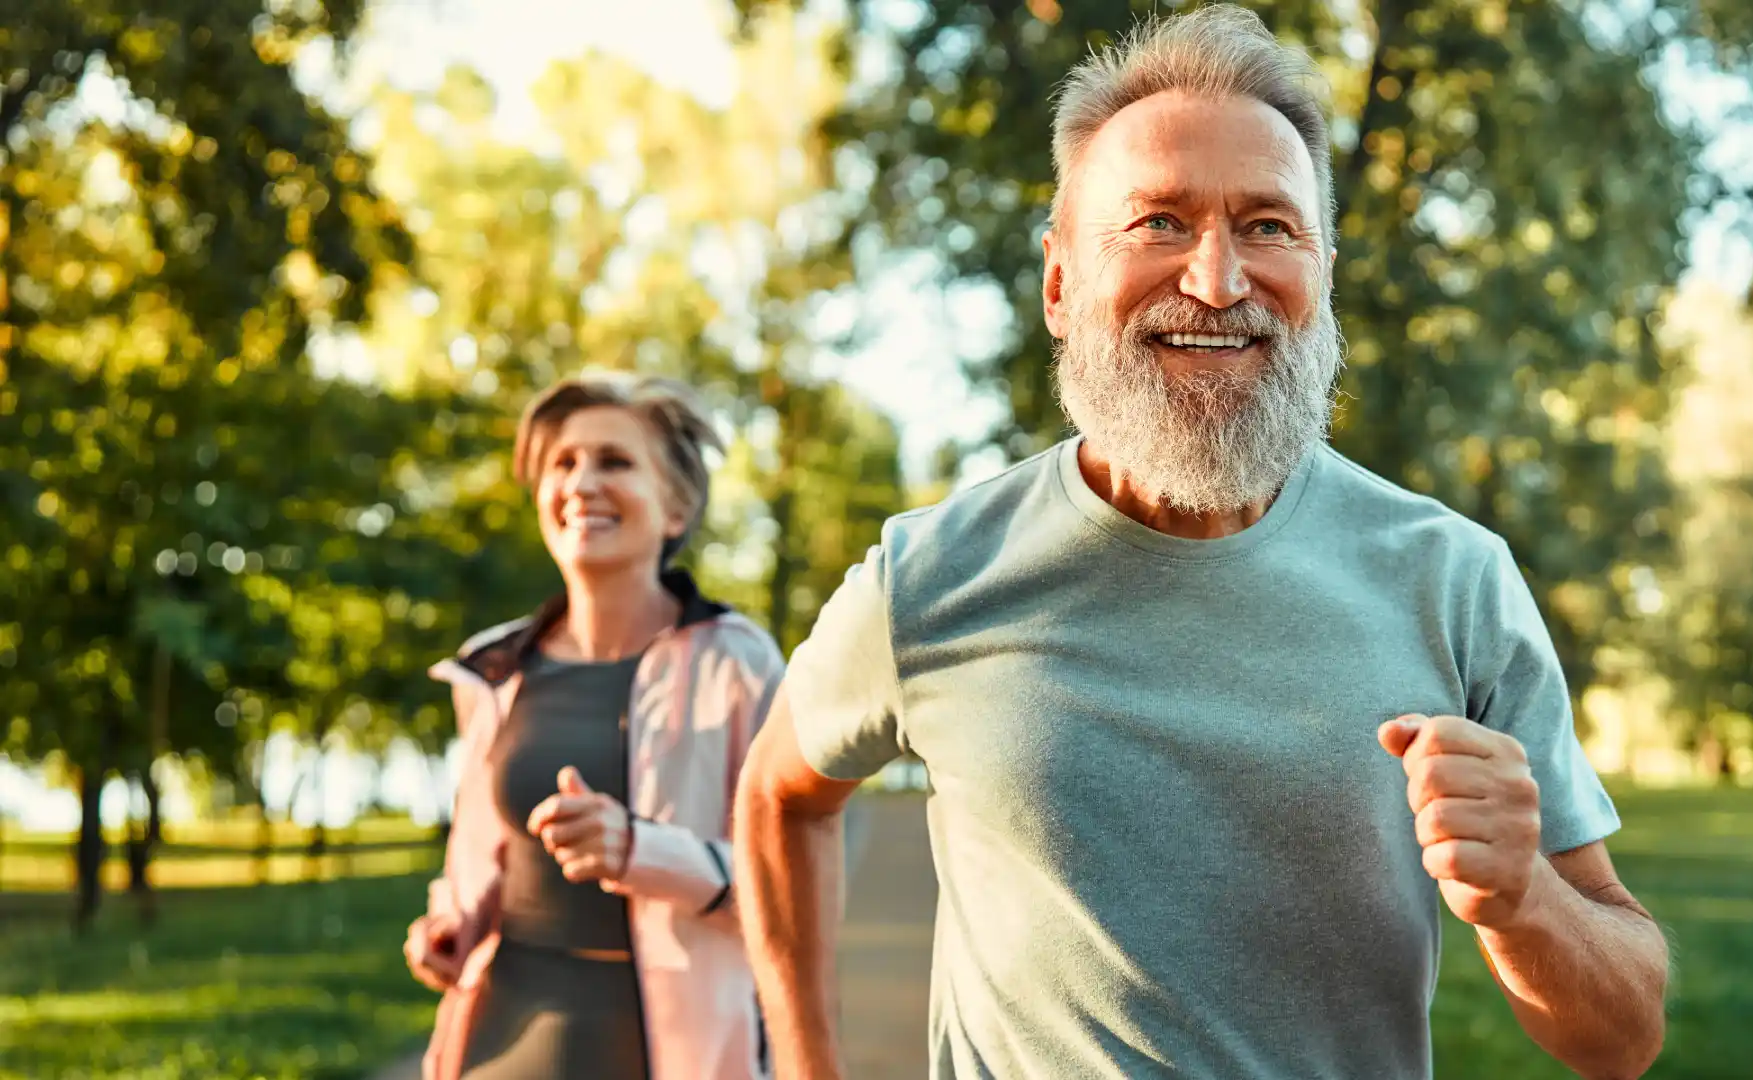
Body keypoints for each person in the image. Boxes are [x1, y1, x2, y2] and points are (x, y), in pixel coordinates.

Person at [731, 7, 1668, 1080]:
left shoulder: (1452, 579)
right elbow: (776, 797)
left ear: (1321, 274)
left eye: (1269, 226)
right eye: (1159, 223)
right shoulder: (931, 577)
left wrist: (1526, 902)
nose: (1218, 281)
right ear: (1057, 284)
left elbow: (1622, 1041)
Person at [403, 372, 783, 1080]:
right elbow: (484, 859)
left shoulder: (739, 662)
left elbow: (788, 884)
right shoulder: (494, 669)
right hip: (499, 1040)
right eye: (562, 463)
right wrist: (454, 923)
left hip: (673, 1051)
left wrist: (638, 848)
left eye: (615, 461)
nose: (581, 482)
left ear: (676, 508)